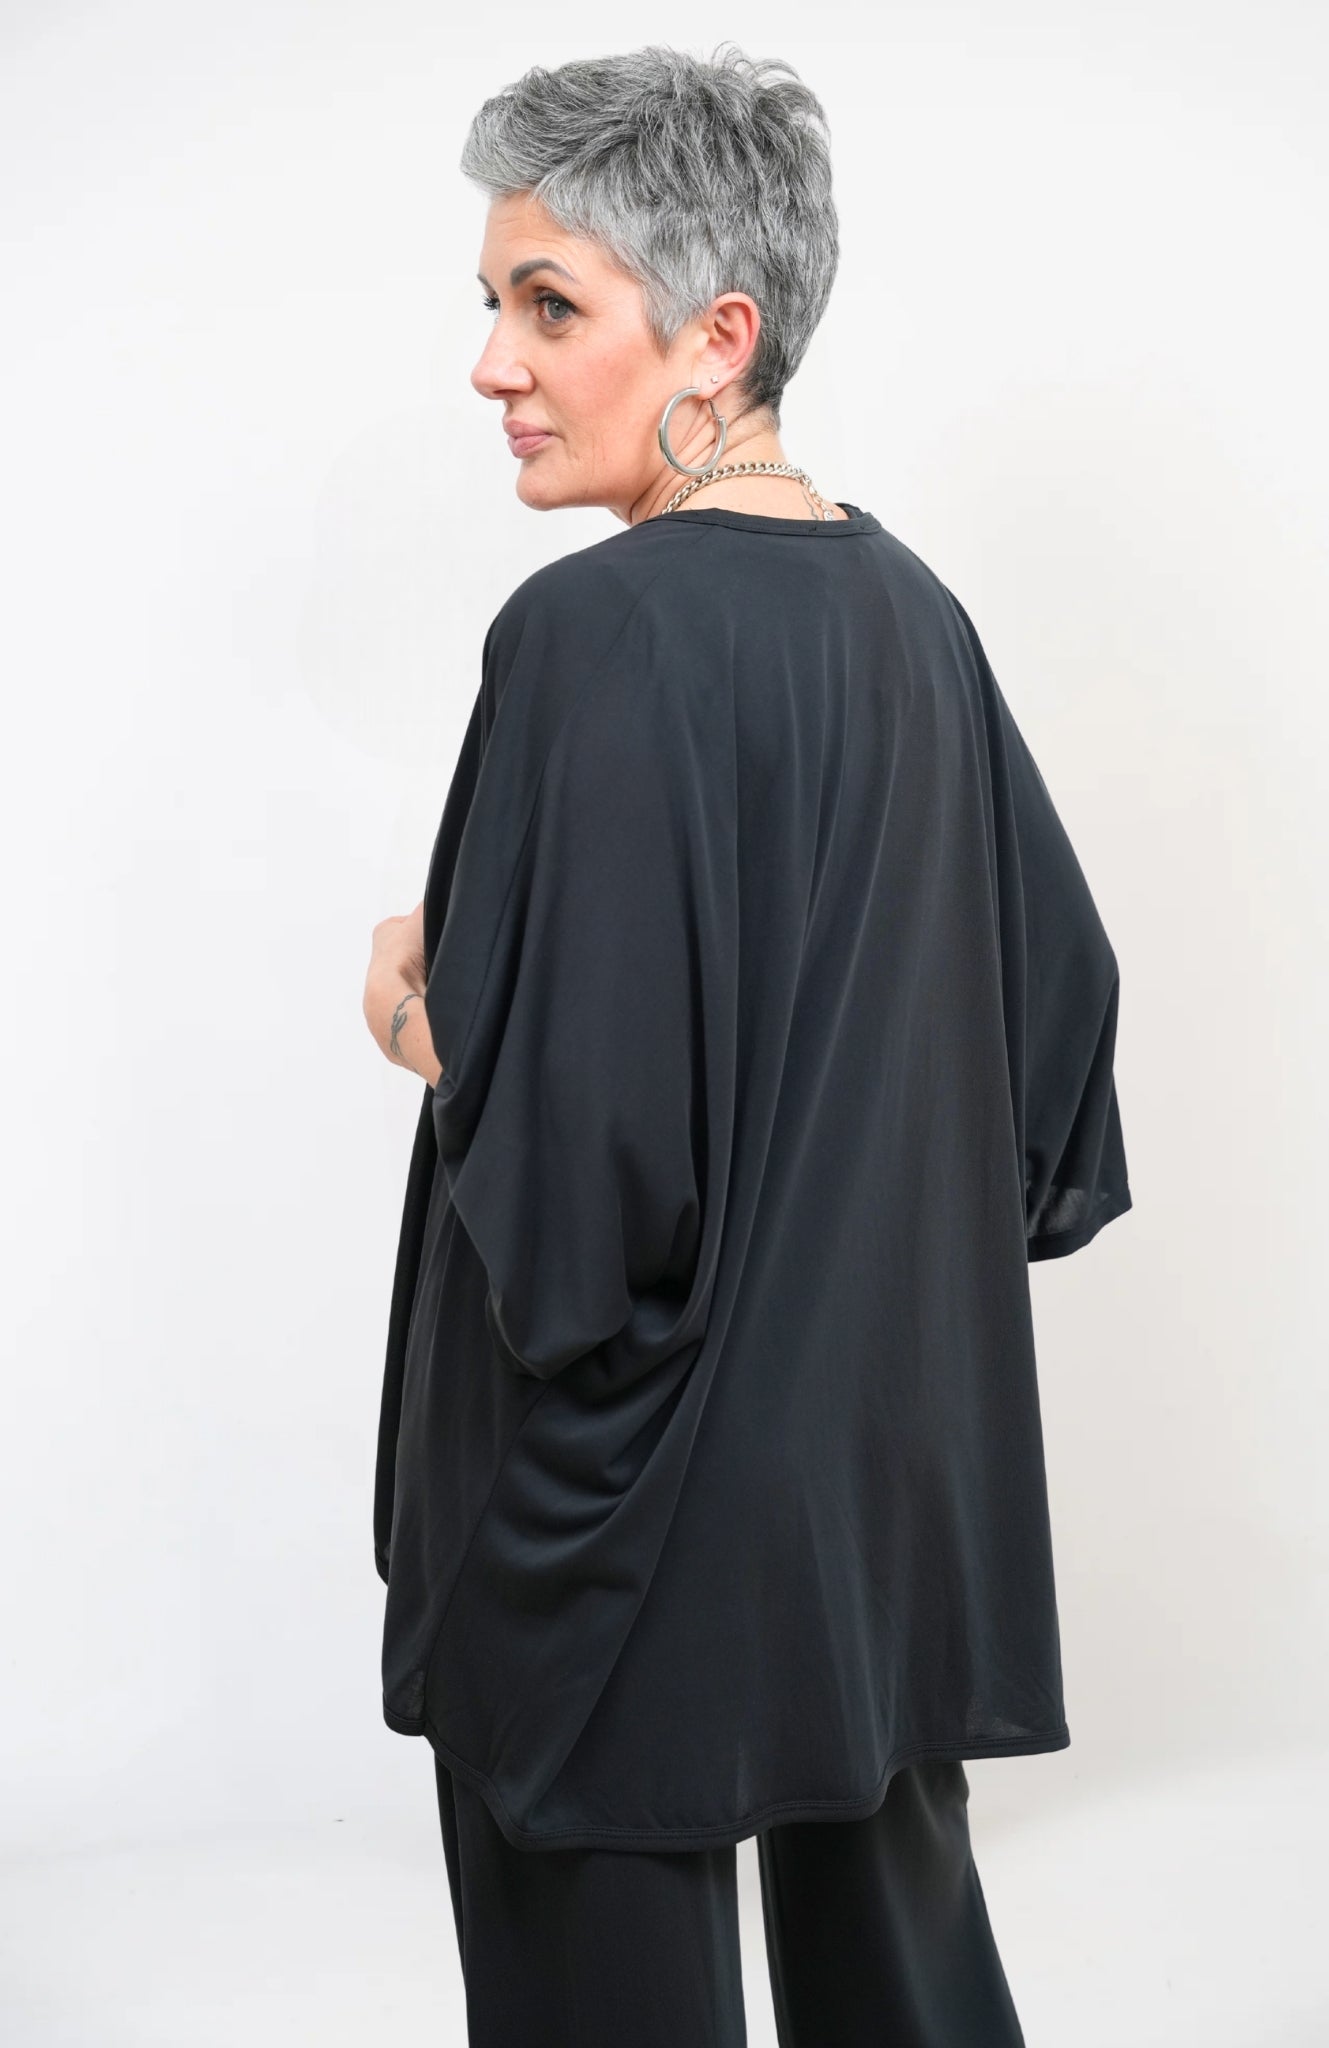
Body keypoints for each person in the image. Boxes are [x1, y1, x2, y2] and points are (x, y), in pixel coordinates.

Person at [361, 42, 1131, 2048]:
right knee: (900, 1977)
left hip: (610, 1514)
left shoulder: (590, 634)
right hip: (868, 1487)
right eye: (493, 305)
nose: (494, 365)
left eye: (551, 306)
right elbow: (1057, 1045)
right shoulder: (917, 621)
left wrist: (420, 1006)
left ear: (717, 336)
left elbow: (578, 1181)